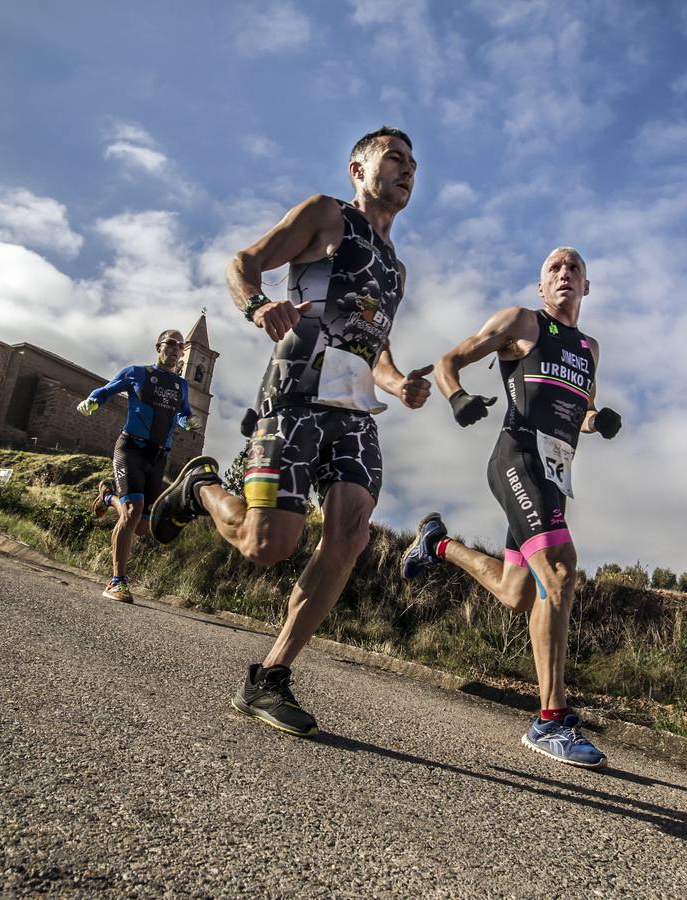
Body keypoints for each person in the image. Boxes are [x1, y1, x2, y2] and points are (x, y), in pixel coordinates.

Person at [150, 126, 430, 737]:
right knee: (265, 546)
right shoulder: (327, 216)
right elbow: (243, 263)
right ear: (358, 168)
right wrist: (257, 305)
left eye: (414, 164)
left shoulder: (397, 269)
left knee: (351, 531)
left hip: (354, 411)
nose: (408, 170)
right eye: (394, 159)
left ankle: (270, 676)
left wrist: (398, 383)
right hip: (296, 394)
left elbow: (374, 347)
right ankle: (198, 487)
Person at [400, 247, 622, 768]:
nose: (565, 274)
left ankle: (437, 543)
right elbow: (450, 360)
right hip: (517, 459)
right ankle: (551, 720)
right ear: (541, 287)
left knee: (517, 590)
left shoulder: (589, 348)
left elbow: (577, 407)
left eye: (575, 269)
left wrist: (596, 421)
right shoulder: (522, 323)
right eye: (555, 269)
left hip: (553, 473)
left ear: (586, 287)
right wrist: (456, 396)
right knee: (561, 570)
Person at [77, 329, 200, 603]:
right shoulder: (137, 373)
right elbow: (107, 390)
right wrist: (93, 401)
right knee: (132, 512)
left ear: (182, 354)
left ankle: (108, 496)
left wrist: (187, 422)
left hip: (158, 457)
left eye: (180, 347)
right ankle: (116, 582)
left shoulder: (181, 386)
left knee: (142, 526)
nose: (175, 349)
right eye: (170, 344)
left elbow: (182, 413)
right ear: (159, 347)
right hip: (131, 447)